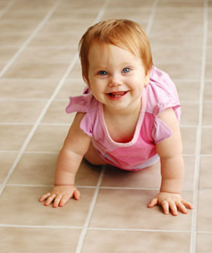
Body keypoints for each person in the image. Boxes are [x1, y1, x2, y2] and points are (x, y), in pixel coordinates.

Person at [39, 19, 193, 216]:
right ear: (88, 79)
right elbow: (71, 151)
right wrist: (63, 184)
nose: (115, 81)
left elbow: (171, 156)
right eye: (102, 73)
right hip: (105, 154)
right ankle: (106, 153)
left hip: (147, 155)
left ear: (146, 74)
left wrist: (170, 191)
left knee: (167, 149)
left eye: (126, 70)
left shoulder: (159, 111)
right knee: (89, 156)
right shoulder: (89, 111)